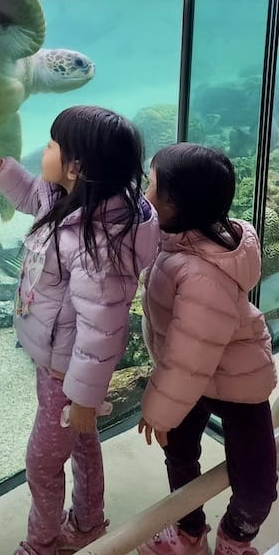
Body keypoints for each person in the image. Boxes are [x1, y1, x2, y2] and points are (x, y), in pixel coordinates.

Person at [0, 106, 160, 555]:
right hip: (58, 364)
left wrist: (83, 399)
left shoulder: (98, 246)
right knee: (82, 442)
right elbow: (31, 194)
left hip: (67, 375)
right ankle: (88, 523)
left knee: (41, 463)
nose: (44, 150)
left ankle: (42, 544)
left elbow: (101, 330)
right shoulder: (69, 198)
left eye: (52, 144)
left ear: (76, 167)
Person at [138, 143, 278, 555]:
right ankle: (189, 532)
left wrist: (159, 411)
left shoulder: (199, 274)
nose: (144, 193)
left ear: (176, 204)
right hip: (191, 381)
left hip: (236, 383)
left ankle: (234, 539)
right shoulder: (178, 238)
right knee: (180, 455)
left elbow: (189, 355)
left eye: (151, 185)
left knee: (257, 483)